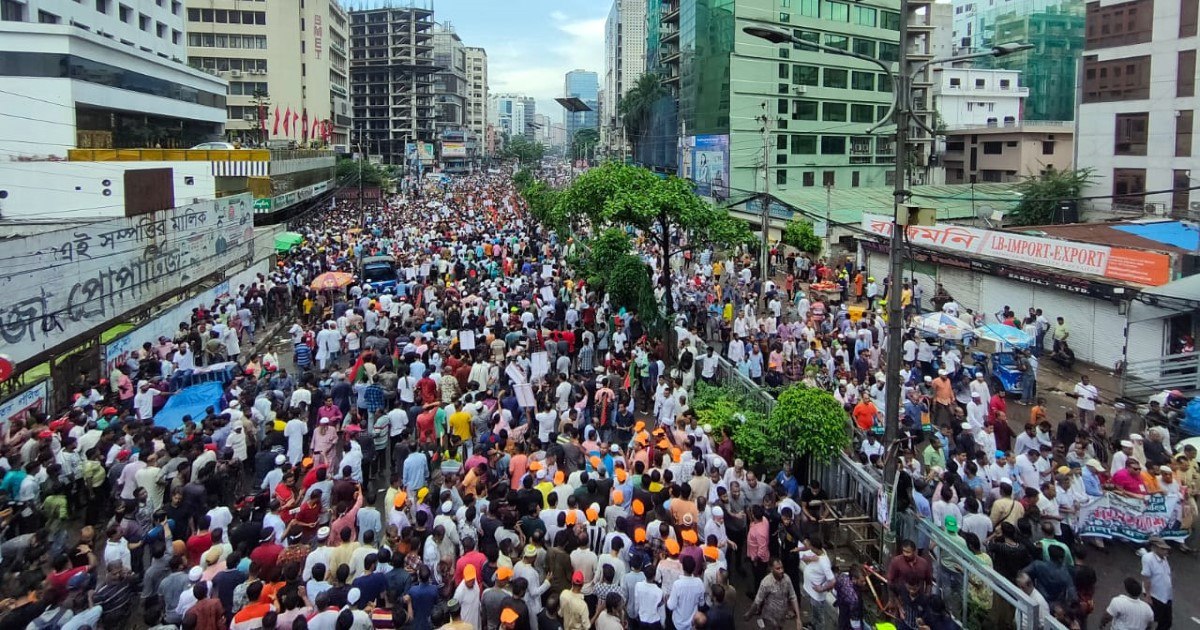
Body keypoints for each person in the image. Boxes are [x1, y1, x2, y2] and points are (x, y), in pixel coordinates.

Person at [1141, 536, 1173, 629]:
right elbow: (1146, 578)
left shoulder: (1164, 558)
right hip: (1155, 596)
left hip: (1166, 596)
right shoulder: (1148, 558)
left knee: (1166, 622)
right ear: (1154, 547)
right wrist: (1148, 595)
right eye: (1163, 549)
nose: (1166, 551)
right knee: (1150, 620)